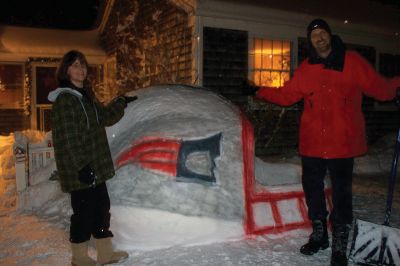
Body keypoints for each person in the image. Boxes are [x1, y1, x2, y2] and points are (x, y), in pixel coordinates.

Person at [245, 19, 400, 266]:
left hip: (342, 143)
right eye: (315, 35)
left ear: (330, 35)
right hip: (312, 143)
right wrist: (258, 91)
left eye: (323, 33)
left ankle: (339, 242)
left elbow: (380, 87)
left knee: (342, 195)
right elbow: (287, 95)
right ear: (311, 41)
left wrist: (396, 87)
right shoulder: (307, 68)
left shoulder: (352, 61)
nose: (320, 38)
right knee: (313, 191)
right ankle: (320, 235)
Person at [48, 50, 137, 266]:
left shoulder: (86, 96)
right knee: (83, 214)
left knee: (101, 209)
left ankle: (105, 254)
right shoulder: (65, 100)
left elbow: (104, 117)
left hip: (95, 165)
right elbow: (69, 138)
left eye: (83, 65)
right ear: (66, 69)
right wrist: (81, 166)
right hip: (81, 169)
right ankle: (78, 258)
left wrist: (121, 102)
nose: (81, 69)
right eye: (76, 65)